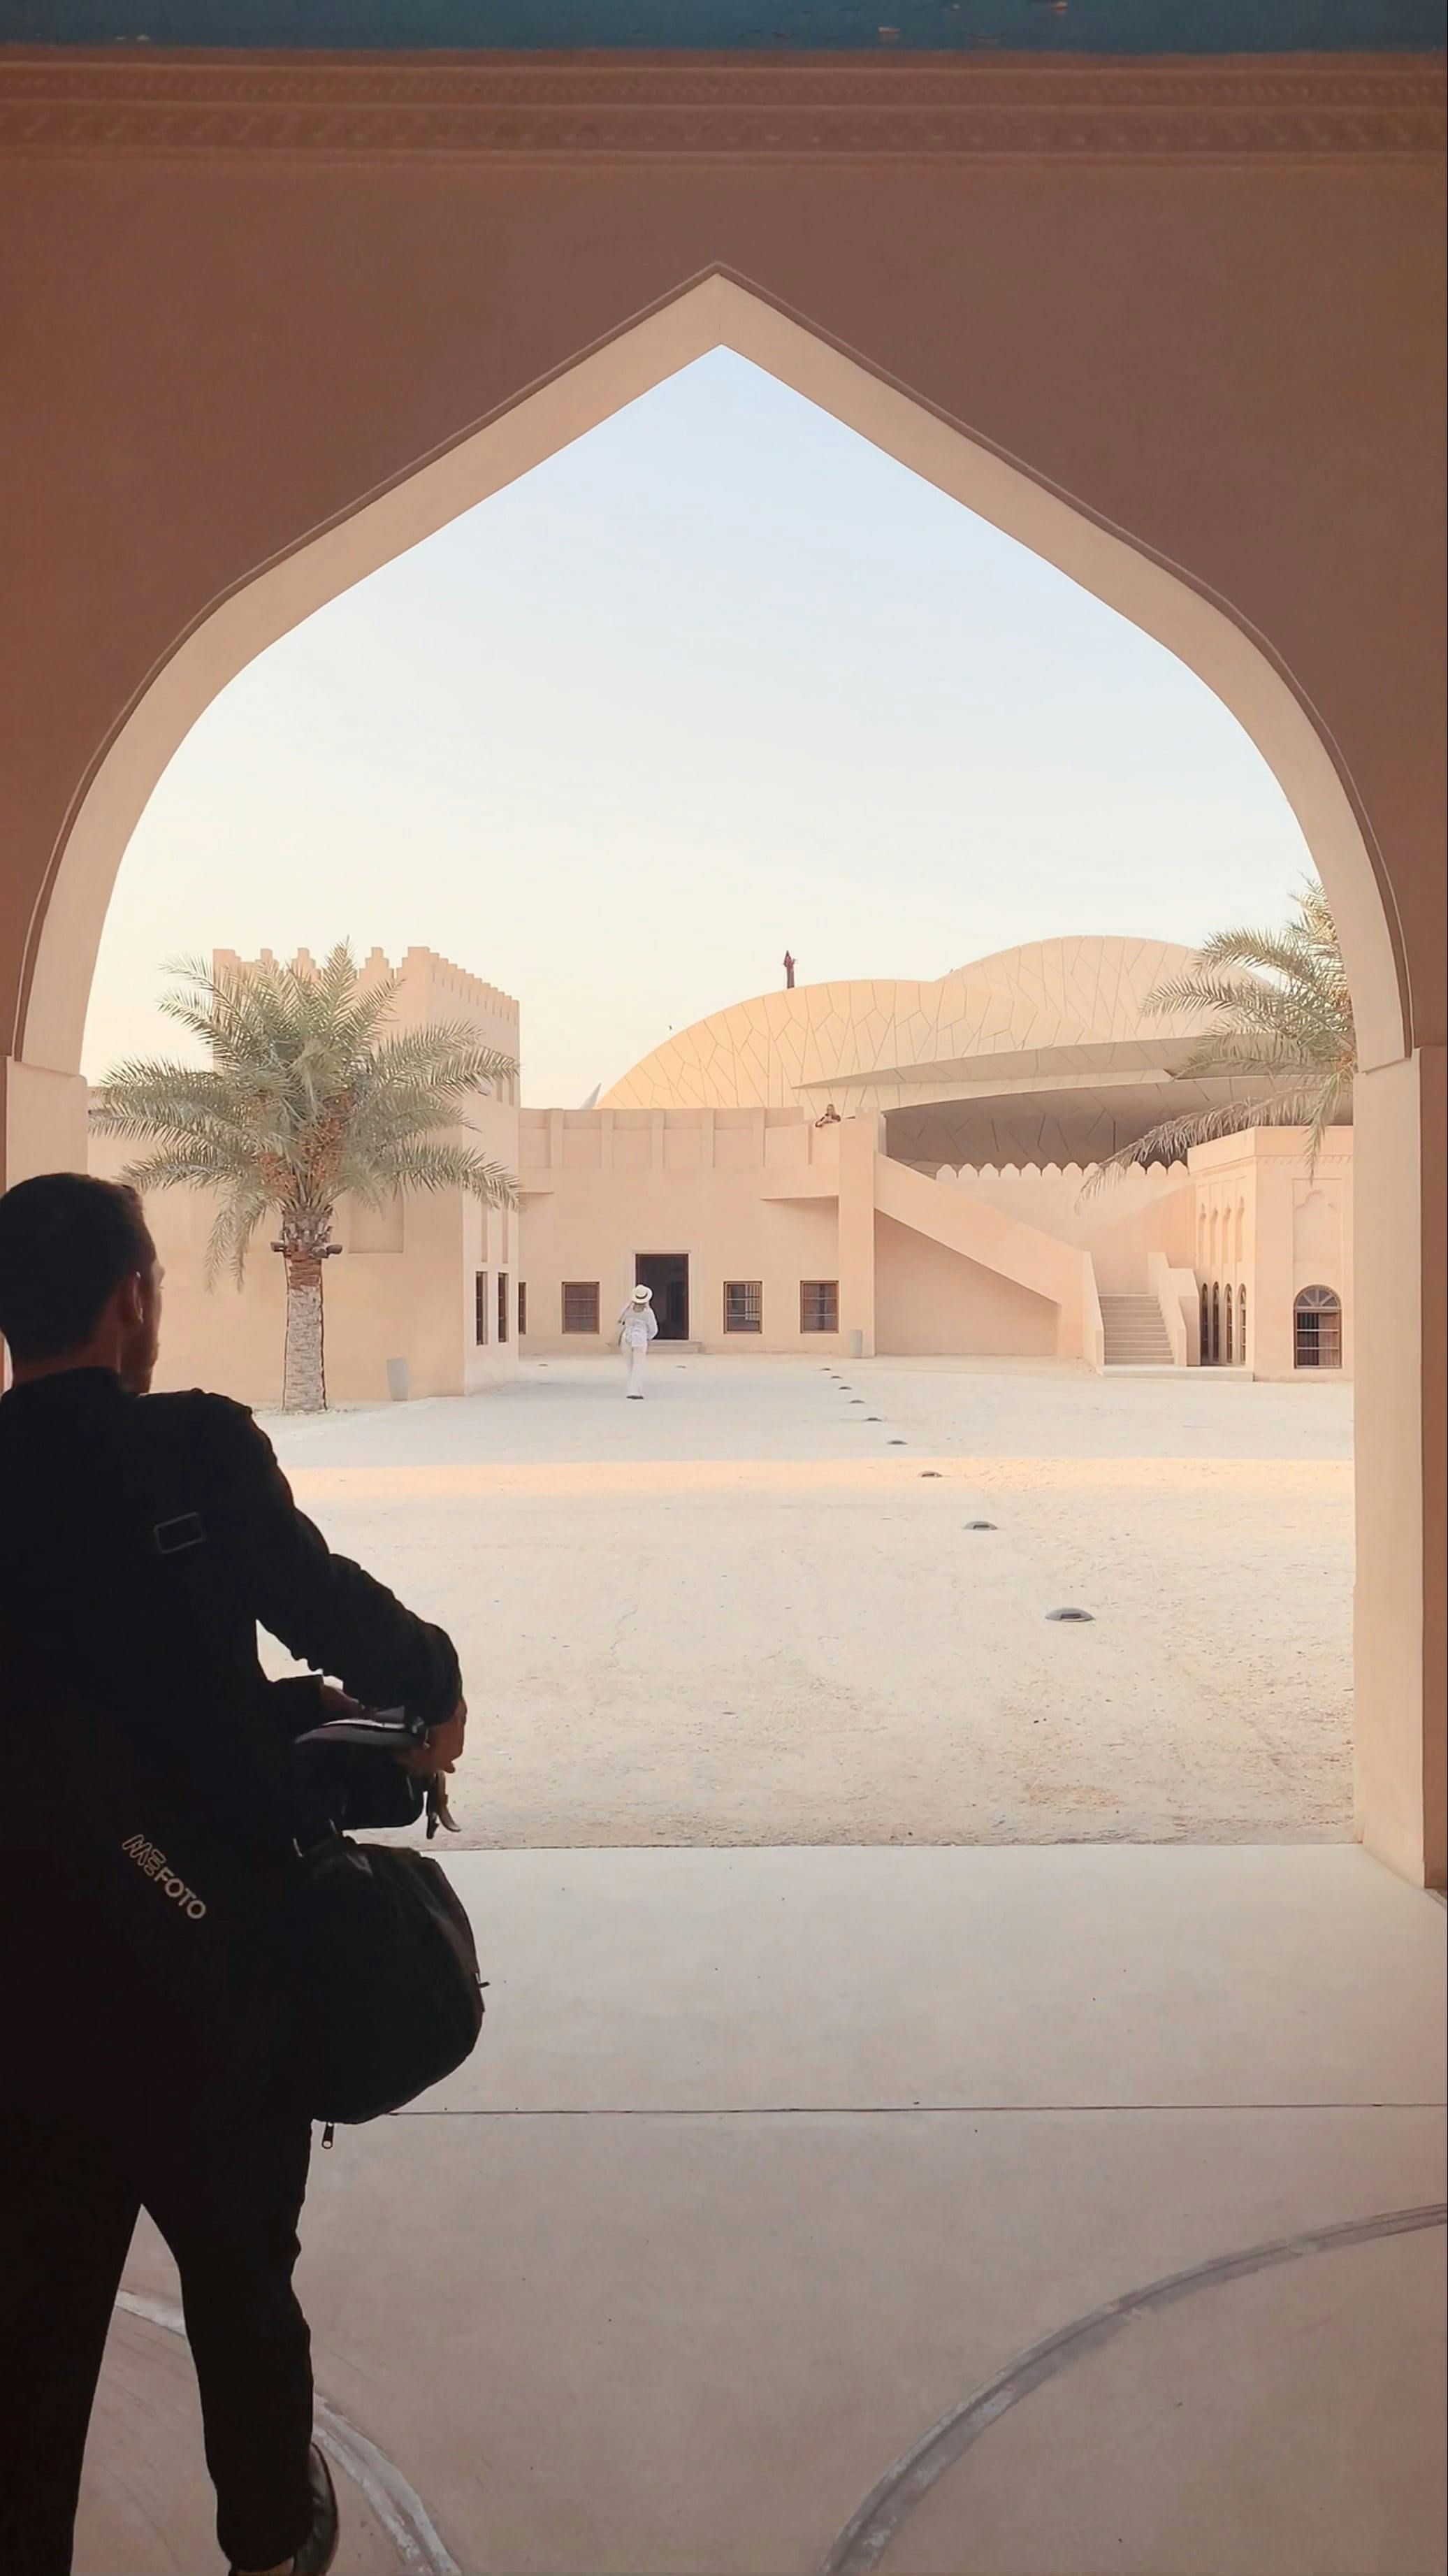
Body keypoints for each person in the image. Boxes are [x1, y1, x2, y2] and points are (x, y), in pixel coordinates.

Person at [0, 1173, 468, 2576]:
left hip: (27, 1985)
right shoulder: (194, 1449)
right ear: (133, 1300)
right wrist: (428, 1684)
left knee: (32, 2323)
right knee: (242, 2278)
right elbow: (326, 1608)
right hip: (211, 1967)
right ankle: (271, 2536)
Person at [616, 1280, 658, 1398]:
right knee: (638, 1365)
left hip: (627, 1338)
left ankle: (633, 1389)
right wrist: (646, 1337)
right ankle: (635, 1390)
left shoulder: (629, 1310)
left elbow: (619, 1319)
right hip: (639, 1340)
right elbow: (653, 1330)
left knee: (630, 1365)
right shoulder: (648, 1313)